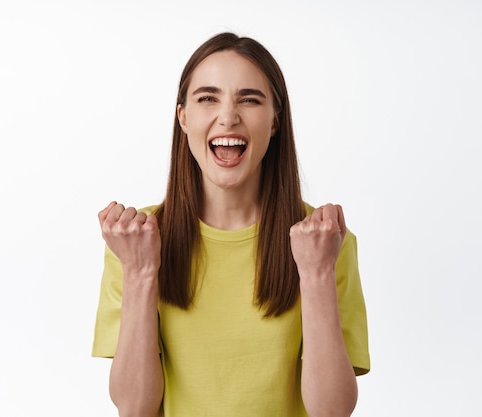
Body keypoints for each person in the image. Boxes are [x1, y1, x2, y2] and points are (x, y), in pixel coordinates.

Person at [92, 32, 370, 417]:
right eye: (207, 98)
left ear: (275, 120)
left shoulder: (325, 243)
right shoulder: (136, 241)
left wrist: (317, 274)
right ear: (183, 118)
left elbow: (332, 411)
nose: (228, 116)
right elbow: (135, 408)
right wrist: (140, 272)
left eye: (249, 99)